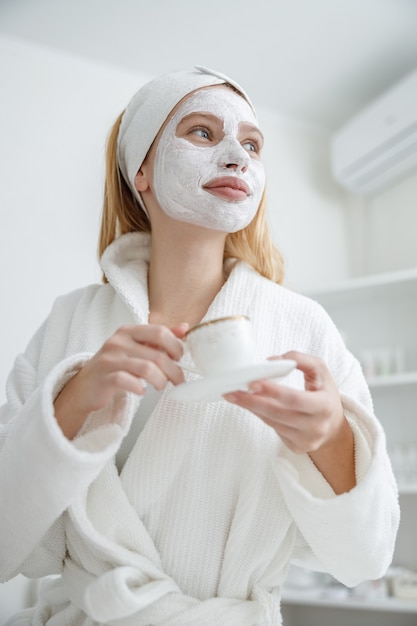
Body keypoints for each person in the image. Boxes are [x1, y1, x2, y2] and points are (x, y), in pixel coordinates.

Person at [0, 66, 399, 625]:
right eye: (203, 133)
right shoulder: (73, 321)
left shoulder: (303, 328)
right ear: (141, 168)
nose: (237, 156)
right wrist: (75, 397)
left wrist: (330, 438)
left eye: (253, 145)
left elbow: (367, 558)